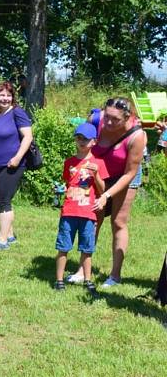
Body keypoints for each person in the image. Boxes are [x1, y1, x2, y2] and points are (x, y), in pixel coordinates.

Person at [67, 97, 146, 287]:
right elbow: (85, 143)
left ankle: (115, 275)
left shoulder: (137, 136)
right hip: (97, 173)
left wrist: (106, 195)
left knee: (118, 221)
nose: (108, 122)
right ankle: (82, 269)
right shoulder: (96, 119)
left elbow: (130, 173)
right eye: (107, 117)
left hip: (124, 177)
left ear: (128, 117)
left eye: (115, 119)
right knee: (93, 219)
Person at [54, 123, 109, 296]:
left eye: (85, 139)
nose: (81, 141)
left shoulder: (98, 163)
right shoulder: (69, 162)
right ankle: (59, 280)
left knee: (87, 249)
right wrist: (60, 190)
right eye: (78, 138)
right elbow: (67, 183)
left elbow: (102, 190)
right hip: (69, 211)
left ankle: (88, 280)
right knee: (63, 246)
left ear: (94, 141)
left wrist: (97, 175)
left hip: (88, 213)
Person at [0, 81, 33, 251]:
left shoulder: (17, 113)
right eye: (2, 95)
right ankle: (10, 236)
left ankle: (1, 241)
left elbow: (28, 137)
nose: (5, 98)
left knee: (4, 201)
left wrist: (17, 158)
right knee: (1, 200)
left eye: (9, 95)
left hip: (11, 164)